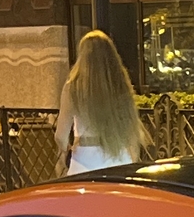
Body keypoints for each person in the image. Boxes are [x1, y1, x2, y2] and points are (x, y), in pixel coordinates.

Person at [55, 29, 143, 172]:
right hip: (119, 156)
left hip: (84, 160)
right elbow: (132, 129)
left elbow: (60, 136)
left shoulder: (73, 87)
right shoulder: (121, 86)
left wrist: (67, 150)